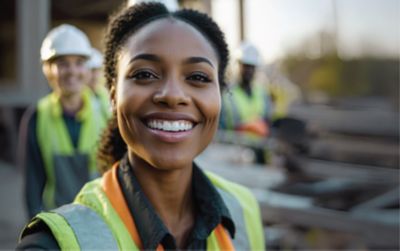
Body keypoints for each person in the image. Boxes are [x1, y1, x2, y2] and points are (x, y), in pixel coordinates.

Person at [17, 2, 265, 250]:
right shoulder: (52, 243)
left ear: (220, 95)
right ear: (113, 96)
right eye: (144, 74)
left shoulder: (244, 210)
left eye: (198, 77)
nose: (172, 94)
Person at [17, 24, 107, 219]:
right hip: (58, 221)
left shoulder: (106, 113)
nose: (72, 71)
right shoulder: (37, 117)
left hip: (103, 219)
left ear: (88, 69)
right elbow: (33, 184)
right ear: (47, 70)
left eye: (79, 62)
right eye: (63, 63)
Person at [219, 42, 273, 163]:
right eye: (245, 66)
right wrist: (243, 128)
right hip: (233, 154)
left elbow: (268, 121)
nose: (248, 70)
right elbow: (219, 127)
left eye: (252, 67)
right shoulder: (226, 94)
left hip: (260, 152)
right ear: (237, 65)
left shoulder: (262, 93)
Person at [86, 47, 111, 120]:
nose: (95, 76)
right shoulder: (77, 99)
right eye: (92, 70)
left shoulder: (104, 95)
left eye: (98, 70)